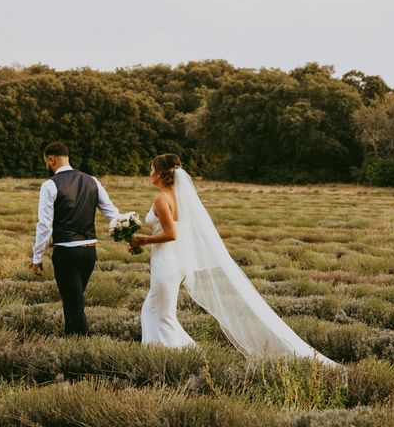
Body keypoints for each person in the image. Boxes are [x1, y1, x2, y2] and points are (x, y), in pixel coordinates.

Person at [130, 153, 345, 372]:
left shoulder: (162, 199)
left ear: (160, 173)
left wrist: (142, 239)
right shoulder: (178, 197)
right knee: (155, 311)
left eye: (151, 169)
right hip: (171, 262)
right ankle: (167, 355)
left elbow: (172, 233)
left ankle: (176, 358)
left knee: (160, 313)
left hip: (167, 262)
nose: (149, 173)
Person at [31, 141, 120, 335]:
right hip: (89, 251)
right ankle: (73, 340)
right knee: (75, 301)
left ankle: (80, 347)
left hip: (66, 252)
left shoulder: (49, 185)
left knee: (73, 304)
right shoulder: (92, 181)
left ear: (51, 159)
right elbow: (112, 213)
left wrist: (37, 257)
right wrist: (127, 232)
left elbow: (44, 225)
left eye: (47, 162)